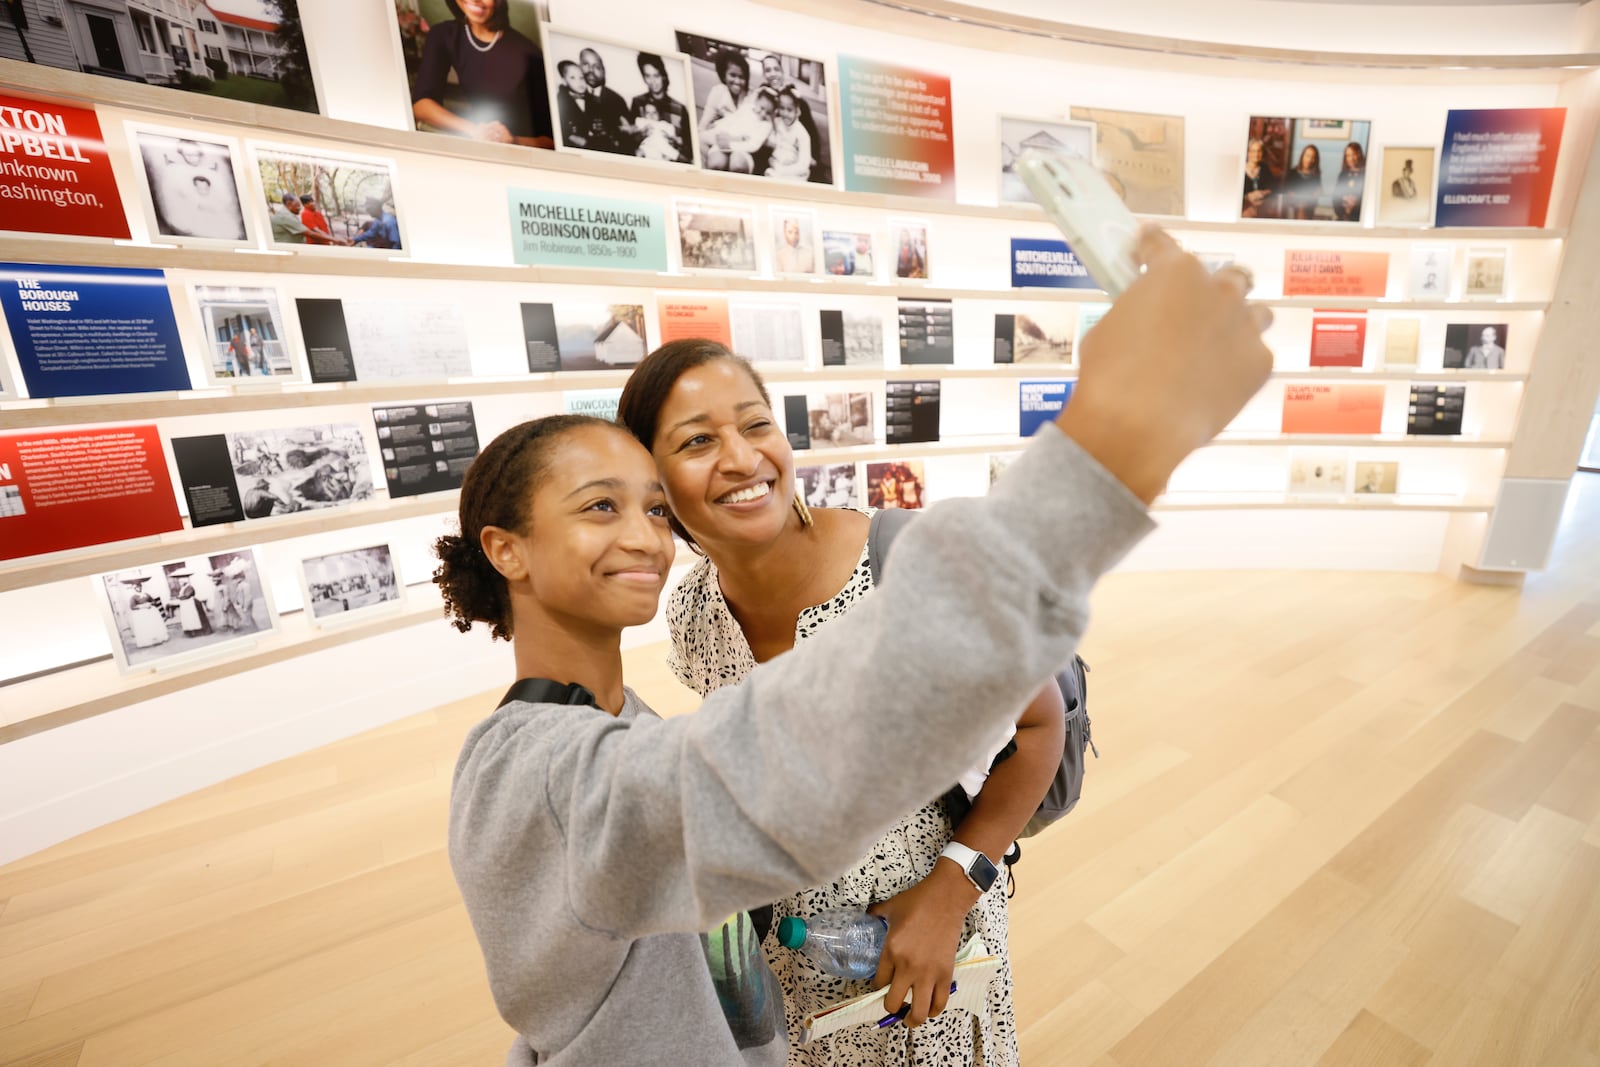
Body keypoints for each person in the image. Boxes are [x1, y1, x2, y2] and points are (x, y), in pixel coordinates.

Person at [441, 226, 1273, 1066]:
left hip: (870, 963)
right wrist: (1118, 440)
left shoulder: (612, 721)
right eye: (600, 506)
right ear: (506, 547)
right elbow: (792, 760)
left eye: (649, 509)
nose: (644, 536)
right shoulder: (543, 779)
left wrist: (946, 887)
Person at [409, 0, 554, 148]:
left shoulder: (529, 53)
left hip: (521, 156)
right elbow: (420, 106)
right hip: (479, 146)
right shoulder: (444, 34)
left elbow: (553, 141)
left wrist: (513, 141)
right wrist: (475, 130)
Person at [629, 52, 691, 163]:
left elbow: (690, 146)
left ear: (663, 75)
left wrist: (675, 142)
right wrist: (641, 135)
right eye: (648, 76)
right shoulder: (638, 103)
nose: (653, 82)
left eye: (656, 75)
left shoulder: (679, 108)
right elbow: (628, 140)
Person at [577, 47, 633, 154]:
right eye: (586, 64)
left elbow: (628, 141)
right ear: (579, 67)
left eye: (596, 67)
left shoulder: (617, 100)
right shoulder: (569, 97)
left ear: (603, 72)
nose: (591, 70)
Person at [764, 87, 813, 180]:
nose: (785, 113)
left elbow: (803, 165)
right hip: (776, 165)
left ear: (797, 111)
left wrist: (780, 169)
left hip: (795, 171)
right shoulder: (777, 122)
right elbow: (771, 142)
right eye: (782, 108)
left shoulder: (802, 134)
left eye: (789, 110)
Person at [554, 59, 591, 148]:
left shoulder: (592, 100)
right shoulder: (560, 101)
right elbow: (564, 131)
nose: (579, 82)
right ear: (564, 81)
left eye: (581, 77)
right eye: (572, 78)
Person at [1283, 144, 1323, 220]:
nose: (1309, 160)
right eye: (1307, 156)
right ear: (1302, 156)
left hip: (1309, 206)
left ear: (1315, 160)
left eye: (1312, 157)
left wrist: (1319, 191)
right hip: (1293, 206)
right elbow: (1287, 191)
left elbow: (1318, 191)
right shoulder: (1292, 173)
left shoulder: (1316, 175)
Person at [1241, 137, 1275, 218]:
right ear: (1248, 152)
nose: (1256, 154)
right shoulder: (1240, 168)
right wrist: (1247, 196)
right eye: (1253, 151)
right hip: (1243, 210)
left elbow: (1274, 188)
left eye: (1259, 151)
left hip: (1261, 210)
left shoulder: (1265, 168)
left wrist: (1262, 193)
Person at [1333, 141, 1365, 222]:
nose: (1351, 158)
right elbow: (1336, 196)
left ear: (1359, 154)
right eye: (1348, 155)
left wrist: (1353, 208)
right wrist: (1342, 213)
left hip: (1357, 215)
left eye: (1353, 154)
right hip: (1343, 213)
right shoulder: (1343, 174)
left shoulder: (1365, 174)